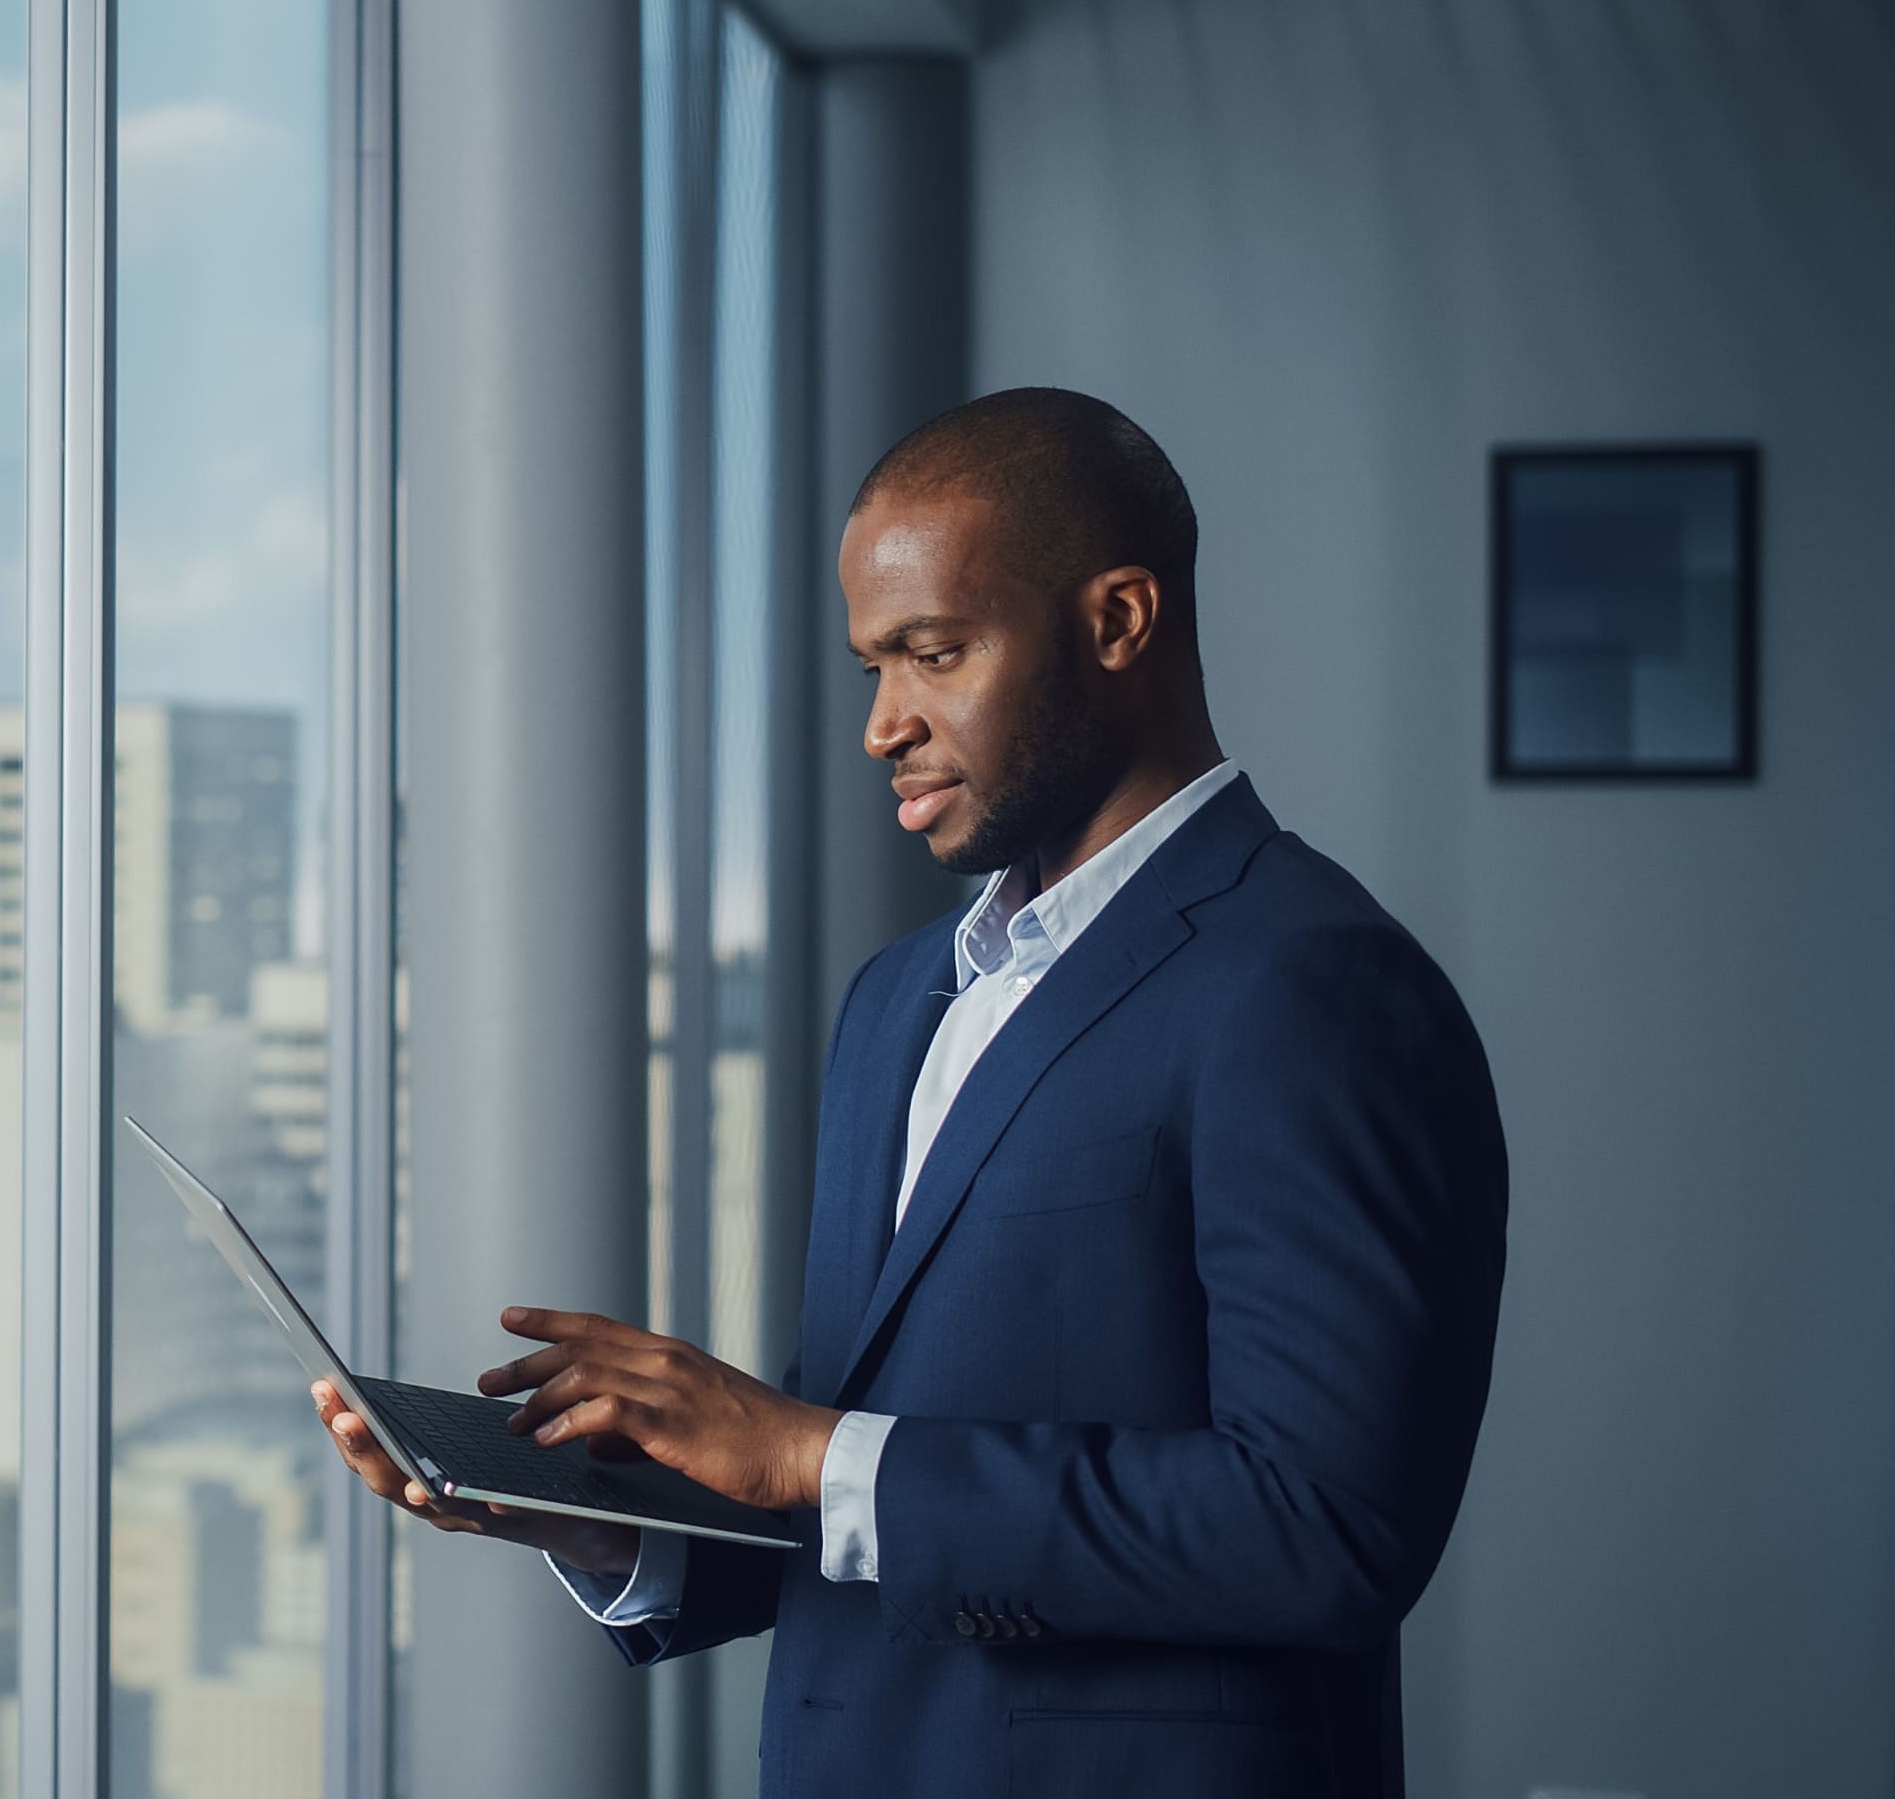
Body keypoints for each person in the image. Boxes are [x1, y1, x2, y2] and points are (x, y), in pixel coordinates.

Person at [317, 385, 1508, 1799]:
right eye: (872, 667)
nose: (885, 723)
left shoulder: (1312, 985)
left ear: (1119, 621)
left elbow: (1324, 1531)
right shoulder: (896, 1003)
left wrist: (811, 1450)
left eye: (934, 654)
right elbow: (878, 1511)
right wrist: (600, 1524)